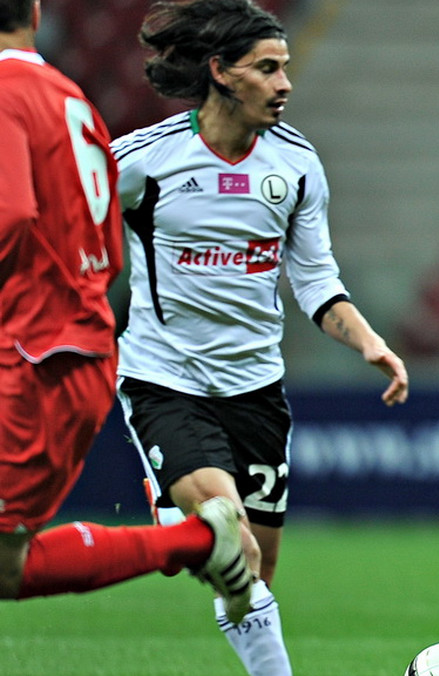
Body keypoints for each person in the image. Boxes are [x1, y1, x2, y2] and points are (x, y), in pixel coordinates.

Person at [110, 1, 409, 675]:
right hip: (166, 381)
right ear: (221, 72)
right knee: (232, 542)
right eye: (267, 69)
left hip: (256, 390)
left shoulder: (297, 165)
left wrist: (367, 342)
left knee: (254, 573)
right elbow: (56, 218)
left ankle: (188, 529)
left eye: (286, 68)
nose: (285, 84)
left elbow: (315, 281)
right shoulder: (141, 162)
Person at [0, 0, 252, 624]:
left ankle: (198, 539)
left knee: (7, 563)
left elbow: (7, 216)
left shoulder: (4, 95)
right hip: (68, 342)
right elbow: (107, 245)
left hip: (34, 354)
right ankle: (198, 540)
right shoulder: (69, 98)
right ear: (34, 12)